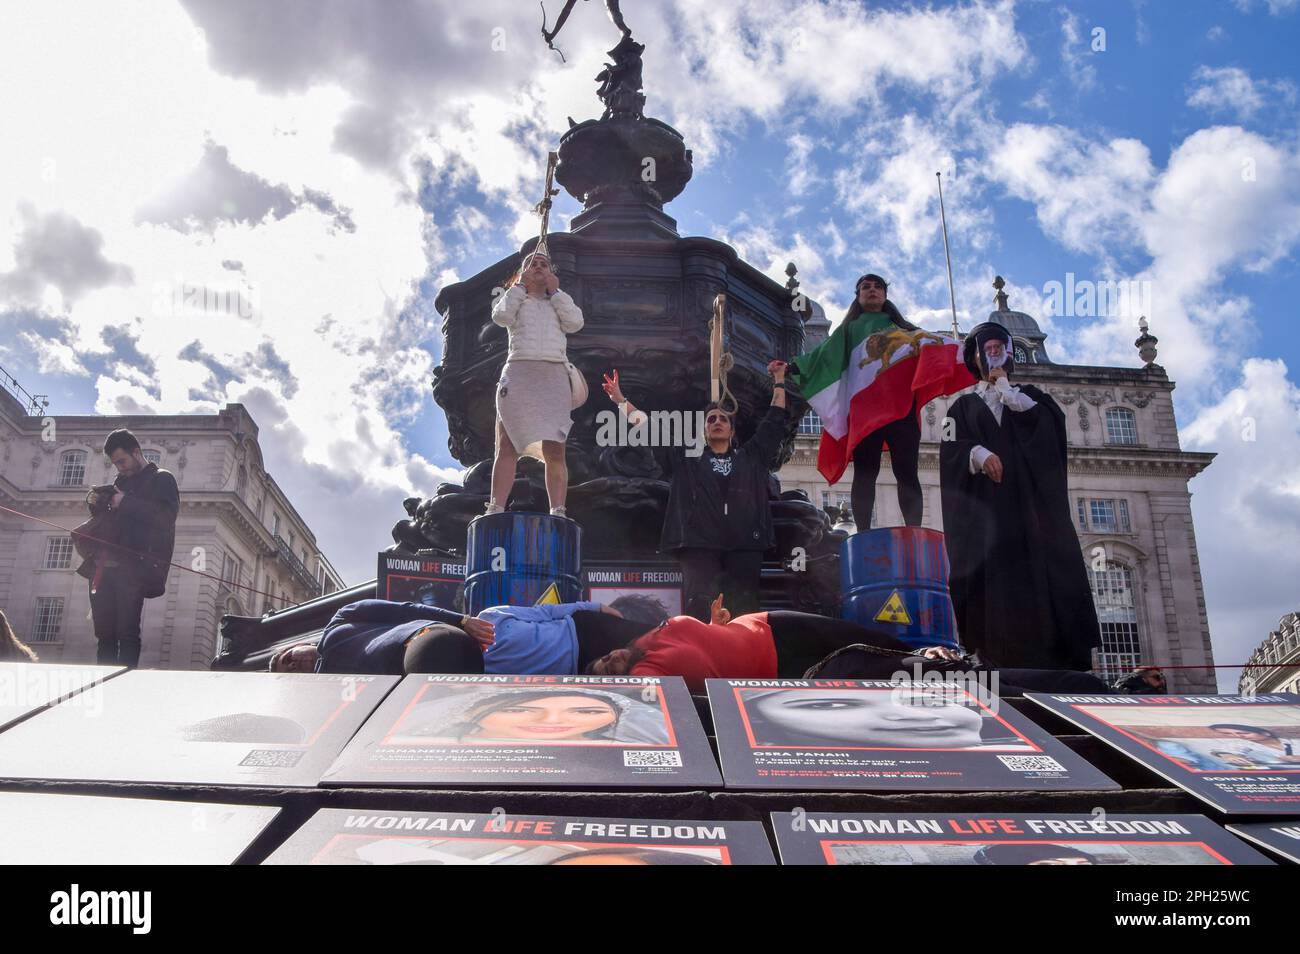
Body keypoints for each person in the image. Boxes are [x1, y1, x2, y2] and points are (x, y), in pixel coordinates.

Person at [938, 322, 1100, 670]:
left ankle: (1054, 657)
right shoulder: (960, 409)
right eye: (987, 348)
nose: (994, 353)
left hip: (1032, 515)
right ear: (976, 356)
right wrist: (977, 454)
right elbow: (950, 452)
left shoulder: (1032, 398)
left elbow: (1048, 436)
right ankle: (991, 654)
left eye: (1000, 347)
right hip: (986, 521)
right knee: (991, 585)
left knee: (1042, 578)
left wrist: (1005, 389)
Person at [586, 596, 1112, 696]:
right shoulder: (645, 676)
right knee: (934, 677)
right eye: (607, 670)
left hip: (771, 621)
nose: (610, 661)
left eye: (604, 657)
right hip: (795, 664)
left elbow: (699, 640)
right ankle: (1082, 686)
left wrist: (714, 623)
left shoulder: (642, 639)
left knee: (890, 641)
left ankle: (941, 657)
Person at [601, 359, 789, 618]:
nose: (717, 421)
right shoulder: (686, 458)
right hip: (698, 545)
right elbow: (650, 429)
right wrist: (621, 401)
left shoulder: (751, 457)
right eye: (711, 419)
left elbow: (774, 420)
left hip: (746, 544)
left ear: (732, 432)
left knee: (744, 609)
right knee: (698, 606)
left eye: (723, 419)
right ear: (704, 431)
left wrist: (779, 379)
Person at [787, 273, 926, 529]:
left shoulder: (906, 330)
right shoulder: (849, 330)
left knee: (907, 473)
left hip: (901, 410)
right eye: (865, 287)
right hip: (866, 412)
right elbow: (822, 357)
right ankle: (863, 532)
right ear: (858, 296)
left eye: (877, 287)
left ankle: (914, 530)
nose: (872, 290)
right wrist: (792, 367)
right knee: (864, 473)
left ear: (885, 295)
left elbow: (931, 349)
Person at [488, 250, 584, 517]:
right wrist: (519, 286)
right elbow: (501, 317)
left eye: (544, 264)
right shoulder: (515, 298)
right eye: (532, 264)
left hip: (553, 373)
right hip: (520, 369)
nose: (538, 266)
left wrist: (557, 293)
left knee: (555, 447)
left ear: (552, 273)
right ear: (523, 271)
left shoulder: (559, 301)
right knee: (506, 444)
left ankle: (558, 509)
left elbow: (575, 323)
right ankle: (495, 507)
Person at [82, 429, 179, 668]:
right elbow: (112, 519)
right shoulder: (120, 481)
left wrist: (124, 501)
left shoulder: (162, 479)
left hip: (134, 567)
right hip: (104, 565)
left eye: (122, 461)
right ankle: (102, 686)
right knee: (104, 635)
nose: (120, 468)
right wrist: (97, 503)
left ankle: (124, 687)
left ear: (136, 452)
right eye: (115, 464)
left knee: (126, 632)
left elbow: (165, 518)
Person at [269, 599, 493, 675]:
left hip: (425, 640)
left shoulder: (340, 619)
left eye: (288, 659)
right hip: (418, 681)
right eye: (290, 673)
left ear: (298, 644)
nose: (294, 666)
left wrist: (461, 620)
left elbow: (405, 609)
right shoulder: (328, 693)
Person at [393, 687, 668, 745]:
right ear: (473, 710)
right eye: (517, 709)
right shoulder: (407, 742)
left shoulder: (633, 745)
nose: (551, 722)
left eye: (586, 711)